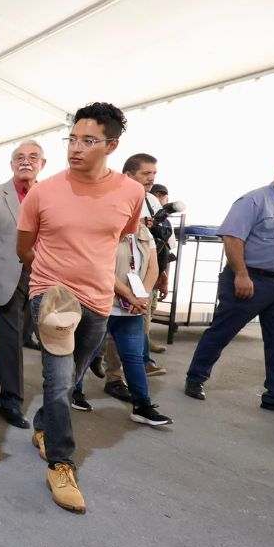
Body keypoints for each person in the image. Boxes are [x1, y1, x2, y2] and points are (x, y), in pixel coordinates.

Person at [17, 102, 144, 514]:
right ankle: (61, 462)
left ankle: (42, 428)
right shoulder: (44, 190)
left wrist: (117, 287)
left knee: (70, 379)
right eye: (72, 139)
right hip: (52, 295)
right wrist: (52, 280)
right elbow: (24, 248)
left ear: (111, 145)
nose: (76, 148)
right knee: (56, 381)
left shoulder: (131, 192)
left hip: (98, 299)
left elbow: (115, 239)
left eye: (88, 141)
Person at [184, 153, 274, 411]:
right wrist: (241, 275)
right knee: (223, 331)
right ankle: (195, 378)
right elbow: (232, 238)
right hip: (250, 279)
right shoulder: (254, 200)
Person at [0, 140, 45, 428]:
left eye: (33, 157)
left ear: (43, 164)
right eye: (19, 158)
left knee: (21, 333)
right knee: (13, 340)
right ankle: (11, 401)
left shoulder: (49, 195)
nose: (26, 162)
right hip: (6, 278)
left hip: (41, 276)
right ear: (12, 164)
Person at [99, 153, 168, 403]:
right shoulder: (107, 208)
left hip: (135, 293)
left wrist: (142, 293)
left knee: (131, 348)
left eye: (154, 174)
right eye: (146, 174)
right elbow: (99, 263)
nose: (151, 179)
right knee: (89, 345)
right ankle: (77, 386)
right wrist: (129, 294)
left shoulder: (150, 205)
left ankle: (134, 396)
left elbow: (154, 258)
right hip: (104, 292)